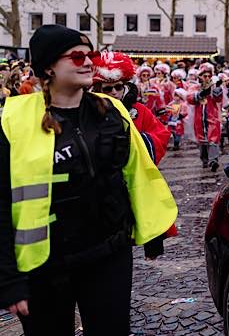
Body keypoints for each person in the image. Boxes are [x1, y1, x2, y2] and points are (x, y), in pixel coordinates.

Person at [0, 25, 177, 335]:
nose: (88, 62)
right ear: (48, 67)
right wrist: (9, 279)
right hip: (44, 266)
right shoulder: (13, 120)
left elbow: (139, 175)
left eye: (91, 55)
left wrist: (153, 232)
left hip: (108, 254)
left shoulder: (113, 111)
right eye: (77, 56)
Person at [92, 51, 171, 165]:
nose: (114, 92)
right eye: (108, 89)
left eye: (118, 87)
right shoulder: (90, 110)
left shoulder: (139, 110)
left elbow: (161, 135)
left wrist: (135, 142)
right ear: (99, 90)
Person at [187, 62, 223, 171]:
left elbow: (219, 99)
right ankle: (205, 160)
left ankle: (213, 160)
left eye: (209, 76)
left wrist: (217, 89)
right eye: (204, 76)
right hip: (199, 119)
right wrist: (201, 93)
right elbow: (189, 98)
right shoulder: (195, 87)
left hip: (212, 118)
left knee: (213, 139)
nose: (207, 78)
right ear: (200, 76)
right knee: (202, 141)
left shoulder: (214, 87)